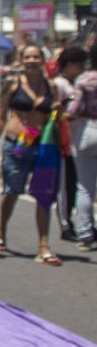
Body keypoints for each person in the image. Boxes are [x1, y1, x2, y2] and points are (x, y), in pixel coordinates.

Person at [0, 44, 61, 265]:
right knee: (12, 191)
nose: (31, 61)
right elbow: (1, 116)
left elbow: (53, 118)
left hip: (42, 147)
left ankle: (44, 246)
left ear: (42, 60)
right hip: (15, 146)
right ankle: (0, 230)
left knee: (44, 194)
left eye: (36, 57)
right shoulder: (12, 83)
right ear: (21, 60)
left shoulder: (50, 87)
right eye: (27, 57)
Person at [54, 46, 87, 241]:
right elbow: (54, 114)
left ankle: (84, 223)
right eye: (79, 64)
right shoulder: (59, 84)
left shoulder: (80, 82)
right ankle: (66, 225)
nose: (83, 67)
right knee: (66, 187)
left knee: (82, 186)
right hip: (65, 142)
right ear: (68, 64)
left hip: (80, 141)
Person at [68, 43, 97, 251]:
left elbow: (74, 110)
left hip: (88, 129)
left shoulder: (84, 79)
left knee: (85, 187)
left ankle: (85, 233)